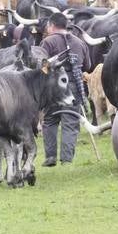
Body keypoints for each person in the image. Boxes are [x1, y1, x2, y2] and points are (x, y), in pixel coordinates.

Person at [40, 13, 88, 167]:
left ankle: (50, 157)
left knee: (50, 120)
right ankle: (66, 159)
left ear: (52, 25)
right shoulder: (80, 43)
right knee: (71, 121)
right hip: (74, 85)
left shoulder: (47, 42)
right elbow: (87, 66)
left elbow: (42, 67)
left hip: (53, 87)